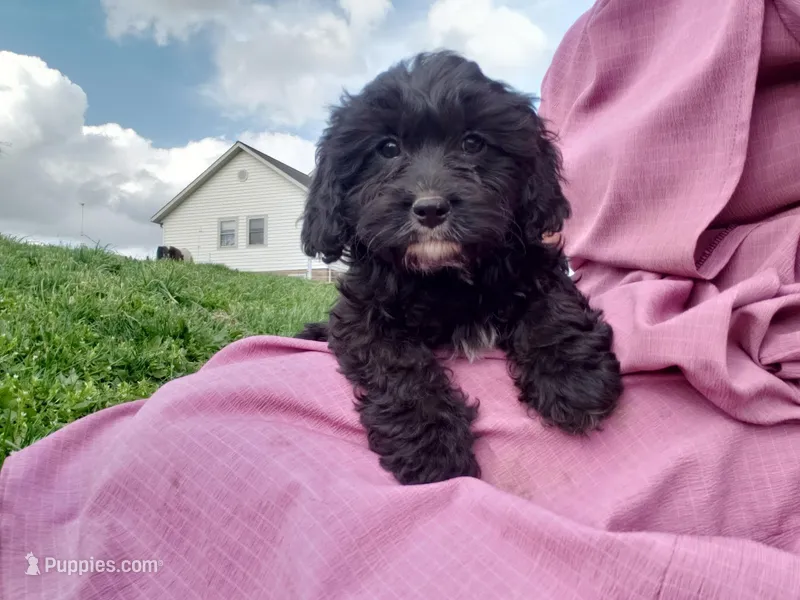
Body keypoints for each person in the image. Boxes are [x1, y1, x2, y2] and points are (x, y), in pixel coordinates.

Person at [2, 0, 800, 598]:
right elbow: (367, 334)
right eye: (387, 152)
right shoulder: (375, 291)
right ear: (343, 194)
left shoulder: (525, 267)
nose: (428, 191)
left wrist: (553, 336)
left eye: (473, 148)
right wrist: (417, 408)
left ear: (527, 178)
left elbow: (549, 295)